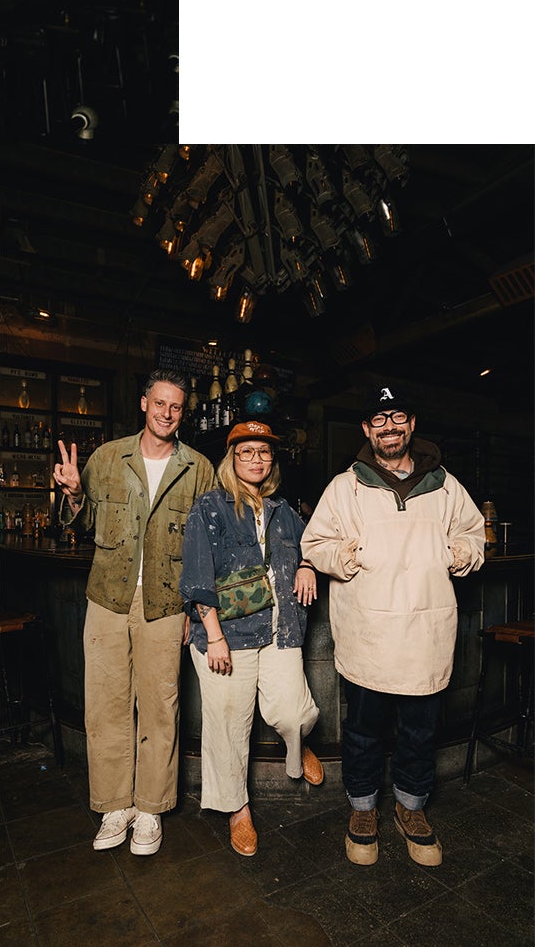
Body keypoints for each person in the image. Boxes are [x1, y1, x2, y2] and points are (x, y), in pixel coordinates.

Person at [302, 385, 485, 867]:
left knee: (420, 731)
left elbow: (472, 533)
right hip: (369, 632)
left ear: (412, 423)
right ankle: (363, 811)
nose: (389, 427)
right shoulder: (347, 486)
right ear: (366, 429)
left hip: (426, 630)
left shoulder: (445, 484)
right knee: (363, 731)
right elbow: (315, 542)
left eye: (397, 417)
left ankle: (411, 808)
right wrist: (350, 555)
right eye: (379, 420)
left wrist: (456, 553)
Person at [53, 369, 210, 855]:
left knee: (160, 706)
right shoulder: (107, 458)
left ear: (183, 413)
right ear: (144, 403)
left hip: (164, 603)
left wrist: (194, 610)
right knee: (106, 704)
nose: (167, 413)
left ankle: (150, 809)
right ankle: (114, 804)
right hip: (107, 598)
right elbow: (75, 526)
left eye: (176, 407)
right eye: (159, 403)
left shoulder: (198, 468)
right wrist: (74, 494)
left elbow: (205, 547)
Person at [179, 421, 324, 856]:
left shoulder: (283, 511)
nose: (256, 459)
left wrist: (308, 565)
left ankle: (298, 744)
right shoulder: (210, 507)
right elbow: (197, 576)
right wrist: (214, 637)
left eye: (264, 452)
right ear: (232, 458)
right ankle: (238, 809)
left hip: (280, 629)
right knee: (228, 728)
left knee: (293, 712)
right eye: (247, 452)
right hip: (227, 636)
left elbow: (313, 543)